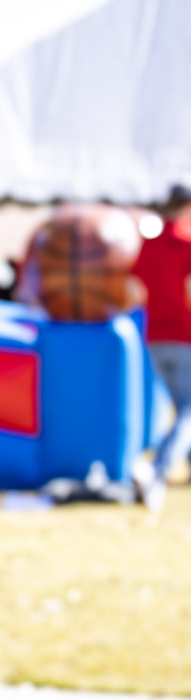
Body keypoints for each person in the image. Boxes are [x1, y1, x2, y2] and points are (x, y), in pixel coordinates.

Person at [136, 185, 191, 483]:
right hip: (185, 335)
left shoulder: (150, 244)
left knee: (181, 406)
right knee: (188, 410)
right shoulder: (187, 242)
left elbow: (135, 287)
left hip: (155, 336)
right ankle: (157, 472)